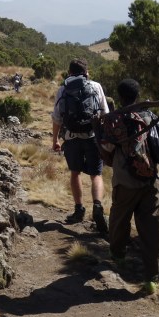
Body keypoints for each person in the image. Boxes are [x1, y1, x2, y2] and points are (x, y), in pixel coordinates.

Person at [98, 78, 159, 294]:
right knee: (154, 226)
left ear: (120, 97)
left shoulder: (114, 120)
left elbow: (106, 153)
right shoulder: (149, 115)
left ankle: (118, 255)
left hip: (125, 180)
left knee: (119, 219)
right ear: (139, 96)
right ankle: (151, 277)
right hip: (151, 179)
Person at [51, 58, 109, 231]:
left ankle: (79, 210)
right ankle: (97, 206)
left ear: (69, 72)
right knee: (96, 175)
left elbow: (56, 118)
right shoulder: (95, 86)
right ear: (86, 72)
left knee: (75, 173)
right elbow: (105, 113)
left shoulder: (63, 89)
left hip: (72, 138)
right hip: (92, 137)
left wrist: (55, 140)